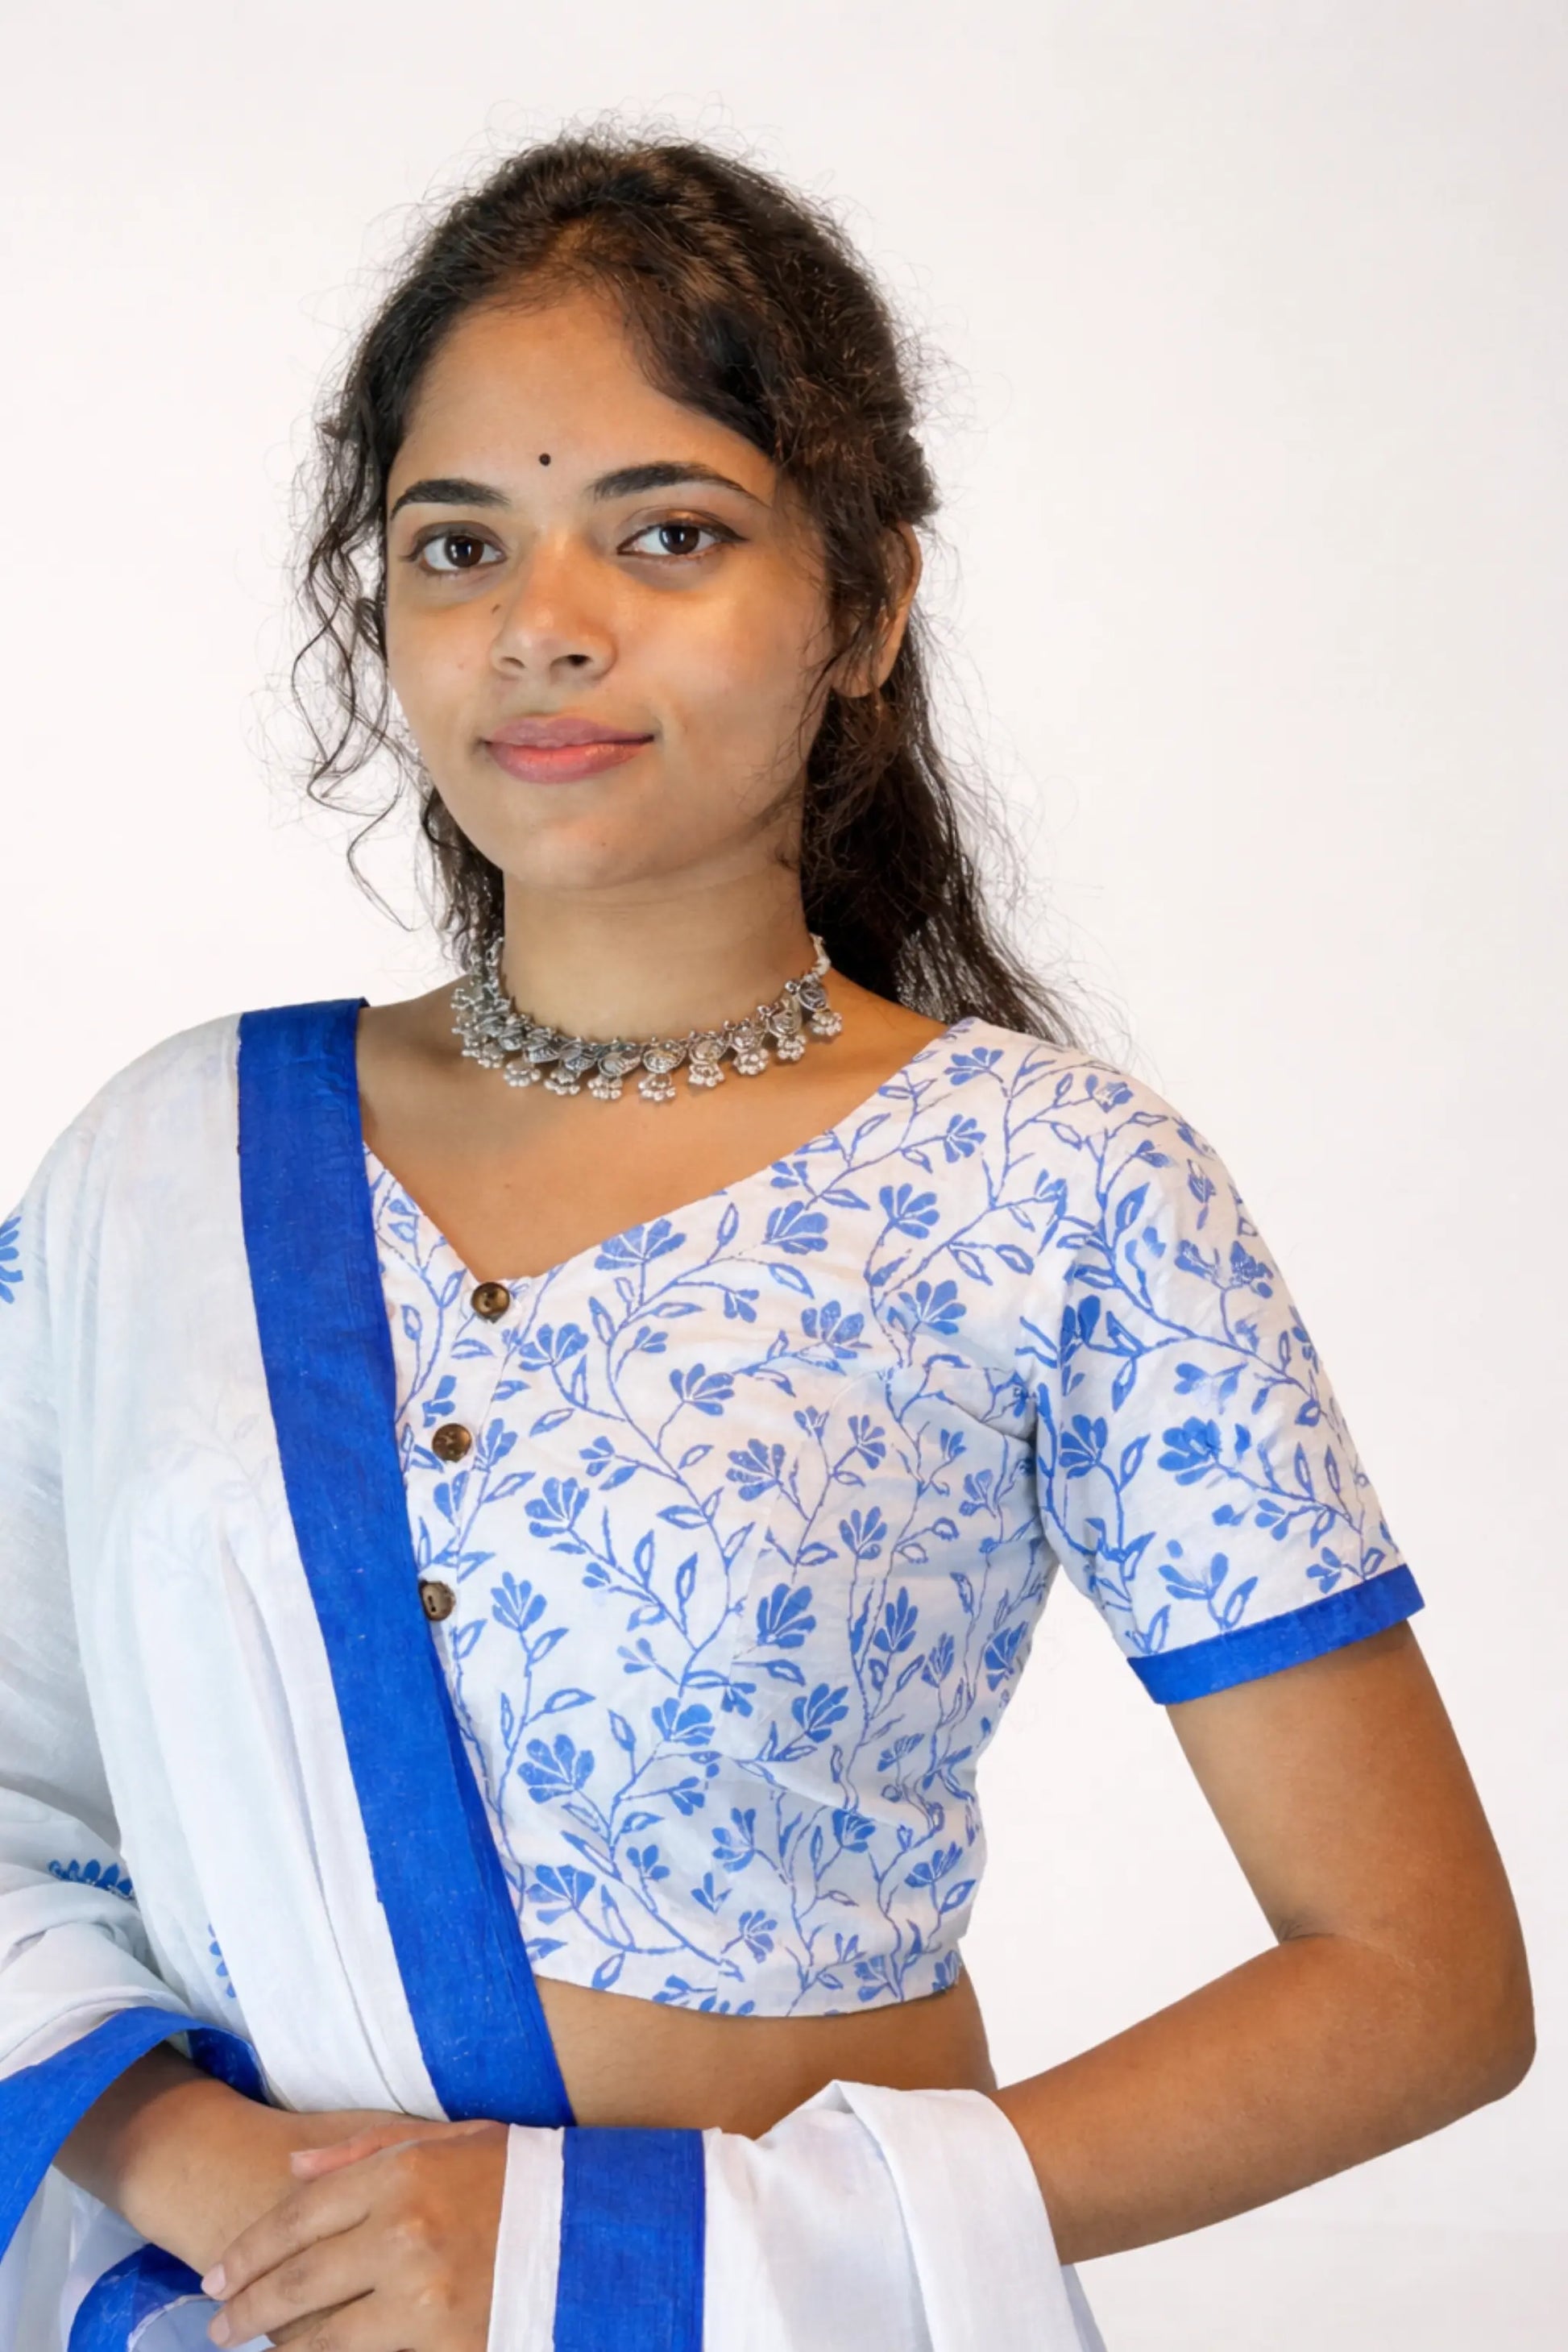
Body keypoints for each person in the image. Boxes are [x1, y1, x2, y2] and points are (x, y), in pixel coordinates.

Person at [0, 130, 1533, 2352]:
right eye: (459, 544)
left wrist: (605, 2255)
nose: (547, 622)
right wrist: (236, 2188)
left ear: (866, 606)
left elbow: (1418, 1986)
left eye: (671, 531)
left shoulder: (1054, 1188)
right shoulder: (164, 1163)